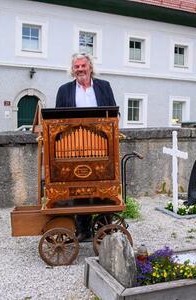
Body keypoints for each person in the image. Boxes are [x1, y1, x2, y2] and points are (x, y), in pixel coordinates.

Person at [55, 53, 117, 242]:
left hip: (101, 146)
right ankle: (83, 230)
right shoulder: (64, 90)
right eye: (76, 67)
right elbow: (57, 121)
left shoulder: (104, 86)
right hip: (74, 147)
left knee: (104, 185)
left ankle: (105, 226)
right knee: (79, 188)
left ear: (90, 67)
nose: (80, 69)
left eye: (83, 65)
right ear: (72, 70)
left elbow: (114, 113)